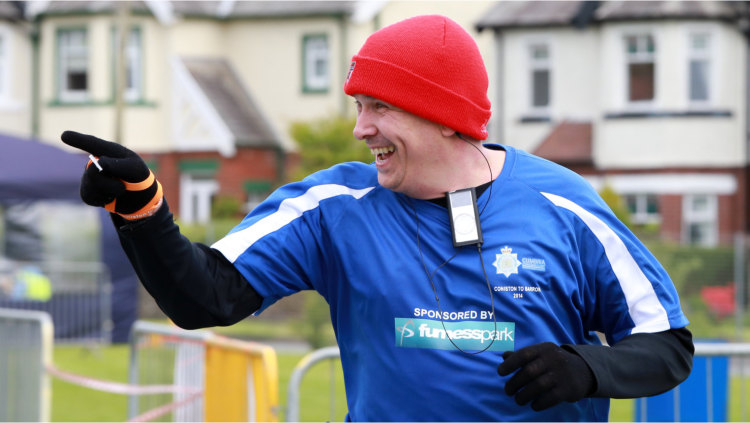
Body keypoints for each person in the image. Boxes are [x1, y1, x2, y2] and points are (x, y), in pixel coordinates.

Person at [62, 14, 693, 422]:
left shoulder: (564, 204)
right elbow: (207, 298)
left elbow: (667, 345)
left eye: (380, 108)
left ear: (444, 115)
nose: (362, 128)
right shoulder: (333, 207)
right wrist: (143, 212)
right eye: (360, 106)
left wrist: (587, 369)